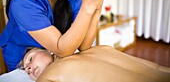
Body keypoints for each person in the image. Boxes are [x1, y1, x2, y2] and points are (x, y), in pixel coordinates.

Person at [0, 0, 109, 71]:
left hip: (53, 54)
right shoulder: (23, 2)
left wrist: (97, 5)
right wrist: (88, 6)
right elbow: (62, 49)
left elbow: (84, 46)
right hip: (24, 57)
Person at [19, 46, 170, 82]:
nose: (28, 68)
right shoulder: (99, 49)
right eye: (26, 70)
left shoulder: (49, 75)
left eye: (30, 58)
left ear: (49, 50)